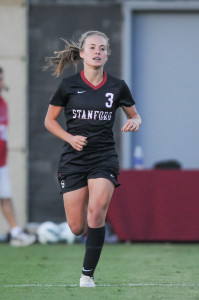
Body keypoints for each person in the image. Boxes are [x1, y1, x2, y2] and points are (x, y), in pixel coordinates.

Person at [44, 31, 141, 287]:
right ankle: (83, 236)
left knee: (96, 212)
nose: (98, 52)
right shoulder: (68, 85)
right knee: (77, 227)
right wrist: (70, 138)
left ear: (107, 55)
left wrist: (135, 121)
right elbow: (49, 121)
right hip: (74, 160)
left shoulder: (117, 86)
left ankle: (87, 275)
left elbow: (135, 115)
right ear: (83, 53)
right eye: (93, 48)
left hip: (103, 157)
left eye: (102, 48)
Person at [0, 67, 36, 246]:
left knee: (5, 196)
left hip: (2, 161)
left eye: (1, 79)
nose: (1, 83)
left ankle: (15, 232)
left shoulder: (3, 103)